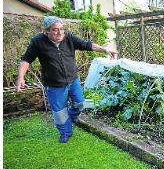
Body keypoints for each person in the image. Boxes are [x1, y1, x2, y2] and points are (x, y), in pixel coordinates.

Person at [15, 15, 116, 143]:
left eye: (61, 29)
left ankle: (72, 115)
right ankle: (65, 132)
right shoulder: (38, 42)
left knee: (80, 103)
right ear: (46, 32)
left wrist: (104, 49)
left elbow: (87, 45)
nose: (60, 32)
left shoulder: (69, 37)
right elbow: (26, 59)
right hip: (54, 84)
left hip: (73, 80)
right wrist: (21, 77)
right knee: (59, 113)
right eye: (55, 30)